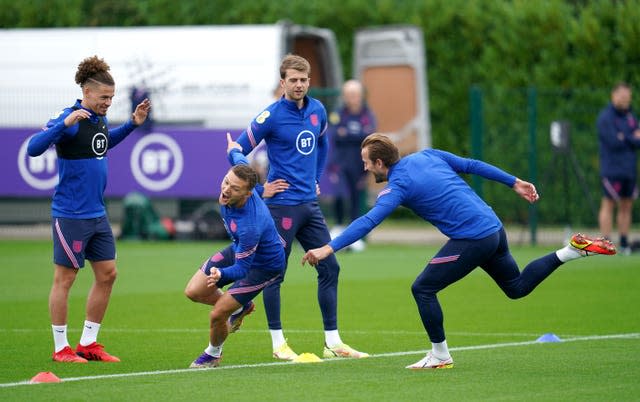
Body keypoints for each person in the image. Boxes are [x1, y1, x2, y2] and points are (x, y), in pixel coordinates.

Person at [302, 133, 616, 369]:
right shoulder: (428, 155)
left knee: (423, 288)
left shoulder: (397, 187)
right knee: (517, 287)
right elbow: (471, 165)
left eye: (366, 162)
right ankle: (572, 251)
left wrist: (329, 247)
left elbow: (368, 221)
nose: (365, 167)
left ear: (380, 163)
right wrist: (514, 182)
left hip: (474, 239)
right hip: (493, 227)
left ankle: (440, 355)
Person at [235, 54, 368, 360]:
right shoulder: (270, 116)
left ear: (310, 81)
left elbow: (322, 145)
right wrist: (258, 188)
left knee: (330, 266)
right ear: (283, 82)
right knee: (273, 273)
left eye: (304, 80)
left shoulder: (318, 110)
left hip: (310, 206)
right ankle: (277, 344)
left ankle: (333, 343)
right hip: (280, 207)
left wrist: (315, 177)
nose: (299, 85)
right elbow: (237, 151)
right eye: (293, 80)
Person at [27, 55, 151, 363]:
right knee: (65, 279)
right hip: (71, 214)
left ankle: (88, 343)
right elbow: (33, 148)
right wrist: (63, 125)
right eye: (103, 97)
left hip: (97, 213)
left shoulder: (98, 118)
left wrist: (132, 125)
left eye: (111, 97)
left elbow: (102, 143)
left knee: (108, 274)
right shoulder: (70, 118)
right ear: (86, 92)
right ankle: (60, 349)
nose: (108, 102)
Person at [184, 133, 286, 368]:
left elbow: (242, 269)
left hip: (263, 265)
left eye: (234, 188)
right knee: (193, 291)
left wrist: (222, 275)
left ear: (247, 193)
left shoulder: (251, 225)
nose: (226, 189)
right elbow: (238, 157)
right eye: (226, 182)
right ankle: (242, 305)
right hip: (240, 248)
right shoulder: (240, 177)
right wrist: (232, 147)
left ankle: (213, 354)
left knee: (218, 314)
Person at [328, 79, 377, 251]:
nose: (352, 98)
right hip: (340, 162)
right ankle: (339, 228)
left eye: (355, 95)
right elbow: (335, 135)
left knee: (357, 200)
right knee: (340, 195)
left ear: (361, 96)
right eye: (348, 95)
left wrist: (347, 133)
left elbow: (369, 137)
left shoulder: (367, 114)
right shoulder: (339, 113)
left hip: (360, 164)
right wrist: (354, 135)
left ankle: (355, 236)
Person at [596, 82, 640, 255]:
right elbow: (614, 141)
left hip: (629, 169)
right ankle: (605, 242)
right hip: (612, 169)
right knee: (608, 204)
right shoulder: (605, 117)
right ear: (613, 95)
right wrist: (631, 138)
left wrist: (625, 137)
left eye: (627, 96)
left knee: (626, 206)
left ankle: (623, 242)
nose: (625, 99)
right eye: (621, 96)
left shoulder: (631, 116)